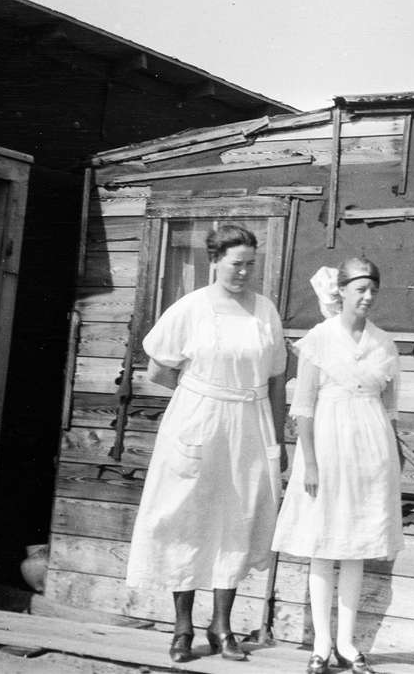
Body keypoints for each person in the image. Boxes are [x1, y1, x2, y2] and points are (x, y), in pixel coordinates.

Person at [125, 224, 286, 663]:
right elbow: (158, 369)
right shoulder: (191, 308)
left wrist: (279, 436)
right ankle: (182, 628)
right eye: (237, 264)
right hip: (197, 420)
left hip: (249, 423)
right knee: (187, 516)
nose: (244, 273)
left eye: (251, 265)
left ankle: (222, 626)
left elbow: (275, 379)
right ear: (214, 261)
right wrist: (201, 391)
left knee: (237, 517)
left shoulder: (265, 311)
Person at [271, 257, 404, 674]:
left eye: (373, 291)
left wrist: (388, 459)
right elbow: (304, 408)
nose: (367, 297)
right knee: (322, 545)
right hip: (328, 448)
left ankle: (347, 643)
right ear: (341, 290)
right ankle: (321, 645)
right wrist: (308, 463)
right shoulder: (319, 339)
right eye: (359, 289)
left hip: (370, 450)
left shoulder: (384, 343)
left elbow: (390, 407)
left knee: (356, 544)